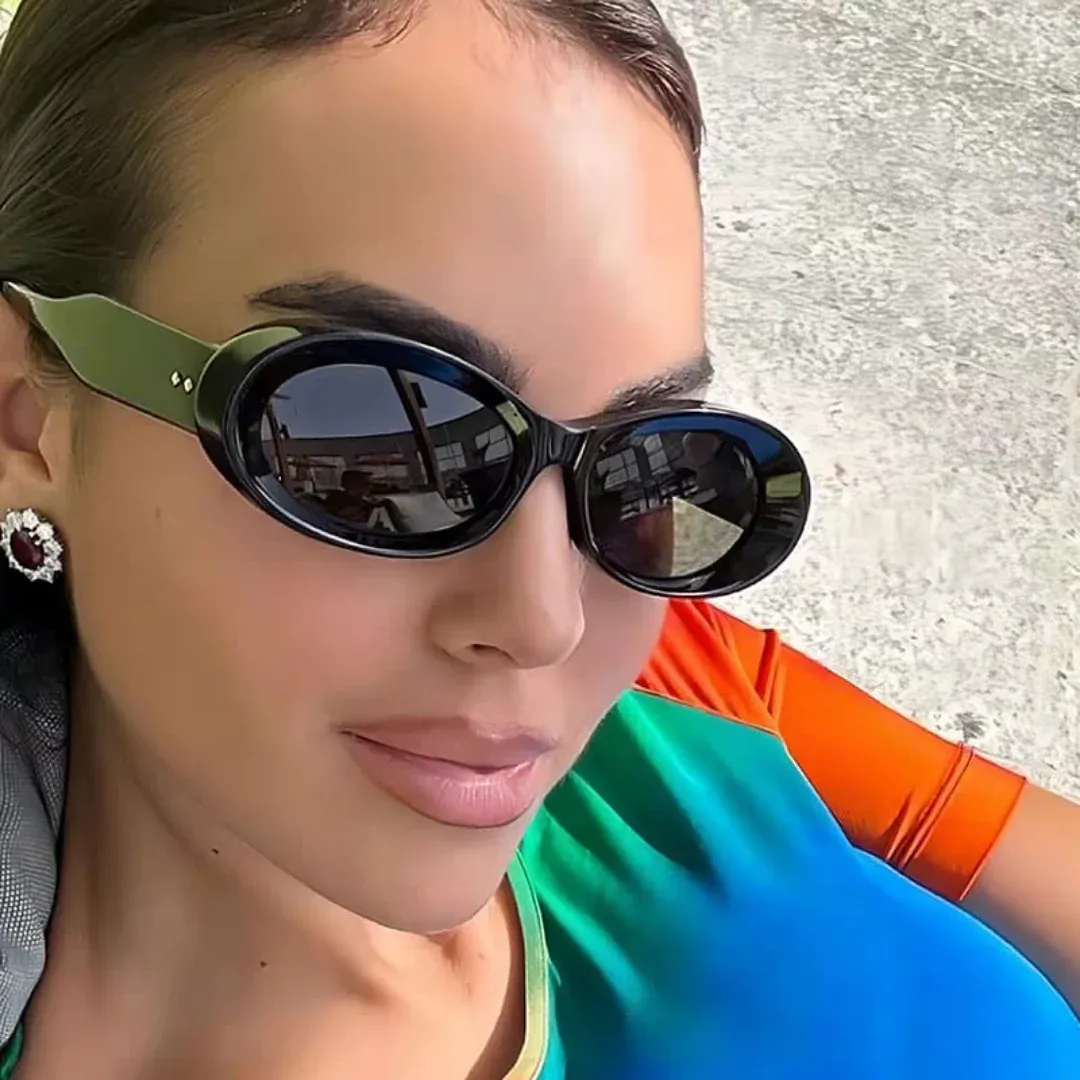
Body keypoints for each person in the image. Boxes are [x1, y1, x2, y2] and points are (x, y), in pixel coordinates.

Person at [0, 1, 1076, 1077]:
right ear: (24, 408)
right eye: (387, 444)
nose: (545, 619)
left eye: (652, 463)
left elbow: (995, 839)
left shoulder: (677, 662)